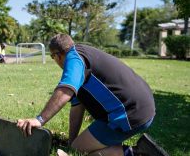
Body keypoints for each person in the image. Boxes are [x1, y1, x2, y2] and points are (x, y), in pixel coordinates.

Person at [17, 34, 155, 156]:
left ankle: (139, 153)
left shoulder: (74, 59)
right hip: (142, 108)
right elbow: (76, 110)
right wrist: (72, 143)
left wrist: (40, 119)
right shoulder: (83, 55)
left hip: (130, 113)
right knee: (76, 148)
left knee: (79, 152)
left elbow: (65, 90)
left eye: (52, 57)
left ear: (57, 55)